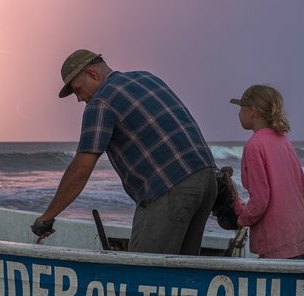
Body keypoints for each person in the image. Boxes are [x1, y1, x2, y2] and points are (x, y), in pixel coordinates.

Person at [32, 49, 217, 255]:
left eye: (77, 89)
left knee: (144, 274)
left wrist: (47, 217)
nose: (79, 98)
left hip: (169, 186)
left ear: (93, 74)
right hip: (207, 179)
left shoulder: (101, 101)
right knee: (183, 273)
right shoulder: (147, 78)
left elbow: (81, 169)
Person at [228, 85, 304, 259]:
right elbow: (301, 187)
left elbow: (260, 200)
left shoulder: (254, 146)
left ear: (252, 111)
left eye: (241, 108)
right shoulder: (284, 141)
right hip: (298, 236)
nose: (238, 114)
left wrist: (242, 219)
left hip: (275, 242)